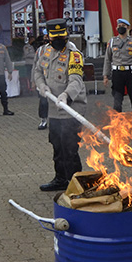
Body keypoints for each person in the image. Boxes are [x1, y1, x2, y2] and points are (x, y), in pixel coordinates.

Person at [34, 19, 87, 191]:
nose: (57, 41)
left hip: (71, 109)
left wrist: (66, 95)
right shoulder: (45, 52)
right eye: (54, 38)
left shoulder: (74, 54)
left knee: (70, 148)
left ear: (67, 36)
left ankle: (76, 185)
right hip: (53, 110)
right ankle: (61, 179)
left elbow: (76, 80)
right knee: (57, 146)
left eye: (61, 38)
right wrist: (42, 86)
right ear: (48, 37)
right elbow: (37, 71)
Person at [102, 18, 132, 118]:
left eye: (123, 26)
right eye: (119, 26)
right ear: (116, 27)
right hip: (117, 73)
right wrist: (105, 76)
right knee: (117, 98)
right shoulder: (112, 41)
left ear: (127, 27)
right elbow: (107, 59)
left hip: (131, 72)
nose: (121, 27)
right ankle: (117, 123)